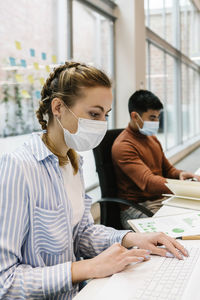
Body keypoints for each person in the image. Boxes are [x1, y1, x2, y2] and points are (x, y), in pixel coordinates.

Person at [0, 64, 188, 299]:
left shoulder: (73, 162)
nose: (101, 123)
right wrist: (87, 268)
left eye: (105, 115)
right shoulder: (18, 168)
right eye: (94, 114)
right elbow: (4, 281)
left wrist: (131, 238)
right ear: (58, 107)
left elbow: (80, 233)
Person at [112, 89, 200, 229]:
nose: (157, 122)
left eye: (158, 117)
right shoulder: (123, 146)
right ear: (135, 116)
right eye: (152, 117)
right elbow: (148, 182)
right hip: (137, 207)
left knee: (193, 216)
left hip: (159, 199)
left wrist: (180, 174)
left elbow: (167, 169)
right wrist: (185, 188)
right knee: (179, 229)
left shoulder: (151, 138)